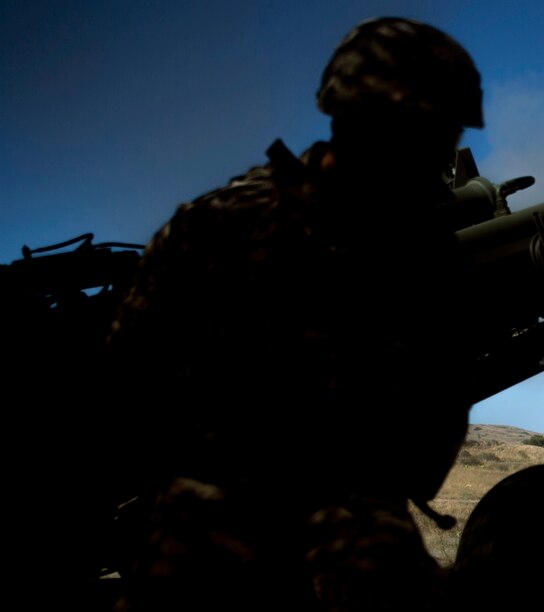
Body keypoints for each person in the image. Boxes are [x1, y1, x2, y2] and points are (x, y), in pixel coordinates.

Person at [107, 17, 483, 610]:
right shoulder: (221, 227)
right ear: (382, 121)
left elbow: (439, 401)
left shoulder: (422, 250)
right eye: (437, 128)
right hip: (220, 524)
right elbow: (130, 382)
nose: (445, 147)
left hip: (339, 527)